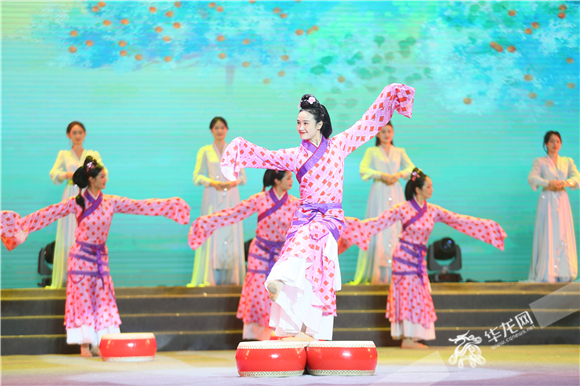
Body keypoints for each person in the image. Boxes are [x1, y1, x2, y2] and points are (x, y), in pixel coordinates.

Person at [220, 84, 415, 341]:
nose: (300, 127)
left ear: (320, 123)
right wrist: (239, 149)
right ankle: (293, 325)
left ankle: (302, 314)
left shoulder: (339, 146)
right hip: (304, 216)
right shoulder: (296, 155)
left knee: (311, 249)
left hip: (329, 219)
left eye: (305, 122)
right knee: (298, 254)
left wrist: (390, 97)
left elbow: (366, 124)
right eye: (297, 123)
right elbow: (265, 157)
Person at [1, 156, 190, 357]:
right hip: (80, 257)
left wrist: (170, 206)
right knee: (82, 301)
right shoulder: (77, 203)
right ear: (91, 179)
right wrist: (19, 227)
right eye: (102, 176)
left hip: (100, 257)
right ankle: (84, 345)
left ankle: (103, 342)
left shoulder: (111, 202)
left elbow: (139, 206)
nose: (105, 179)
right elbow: (48, 214)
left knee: (103, 301)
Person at [356, 168, 506, 349]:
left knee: (419, 295)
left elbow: (458, 220)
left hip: (419, 260)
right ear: (418, 189)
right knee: (406, 295)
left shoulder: (433, 210)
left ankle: (413, 337)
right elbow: (378, 222)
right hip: (403, 258)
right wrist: (351, 229)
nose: (431, 189)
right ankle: (407, 338)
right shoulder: (402, 209)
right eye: (429, 186)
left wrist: (488, 227)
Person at [189, 170, 298, 340]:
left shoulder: (295, 204)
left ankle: (279, 335)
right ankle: (256, 337)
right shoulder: (260, 199)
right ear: (277, 180)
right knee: (257, 294)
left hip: (281, 255)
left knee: (282, 295)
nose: (292, 180)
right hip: (260, 253)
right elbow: (234, 213)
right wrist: (207, 221)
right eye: (289, 177)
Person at [352, 121, 415, 285]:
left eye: (389, 131)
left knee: (395, 227)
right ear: (377, 134)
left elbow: (412, 170)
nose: (387, 135)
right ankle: (377, 275)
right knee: (378, 225)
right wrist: (381, 175)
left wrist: (400, 174)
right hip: (379, 191)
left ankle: (396, 271)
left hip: (395, 191)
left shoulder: (399, 151)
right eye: (383, 132)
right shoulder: (372, 151)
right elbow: (363, 169)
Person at [189, 117, 247, 287]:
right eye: (216, 128)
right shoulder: (205, 151)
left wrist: (232, 182)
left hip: (231, 195)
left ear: (227, 129)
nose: (220, 131)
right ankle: (210, 278)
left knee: (230, 231)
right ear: (211, 130)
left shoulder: (234, 150)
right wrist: (212, 183)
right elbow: (196, 176)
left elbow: (243, 177)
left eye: (222, 127)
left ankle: (232, 278)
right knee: (213, 231)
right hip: (212, 195)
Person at [48, 121, 105, 289]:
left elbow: (103, 171)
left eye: (80, 132)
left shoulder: (91, 155)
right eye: (74, 133)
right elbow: (54, 174)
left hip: (88, 197)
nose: (77, 136)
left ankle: (89, 277)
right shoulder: (64, 154)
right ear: (68, 135)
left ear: (85, 134)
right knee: (69, 235)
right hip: (71, 194)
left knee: (88, 235)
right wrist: (68, 174)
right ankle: (67, 279)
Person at [527, 131, 579, 282]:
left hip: (562, 200)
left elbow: (577, 178)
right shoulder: (540, 161)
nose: (555, 144)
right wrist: (547, 183)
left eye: (557, 141)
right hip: (547, 200)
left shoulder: (567, 161)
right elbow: (532, 178)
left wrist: (566, 183)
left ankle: (563, 273)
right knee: (548, 233)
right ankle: (547, 273)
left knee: (562, 234)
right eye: (551, 141)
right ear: (545, 144)